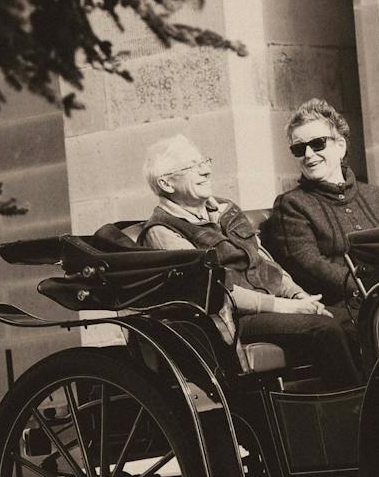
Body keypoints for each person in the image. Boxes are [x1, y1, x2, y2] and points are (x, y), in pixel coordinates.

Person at [138, 135, 360, 387]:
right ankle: (351, 417)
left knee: (355, 320)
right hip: (230, 321)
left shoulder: (225, 208)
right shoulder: (162, 231)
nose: (206, 170)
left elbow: (265, 262)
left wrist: (298, 296)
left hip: (275, 306)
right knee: (325, 330)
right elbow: (214, 292)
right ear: (166, 183)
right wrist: (284, 306)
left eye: (204, 161)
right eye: (192, 166)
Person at [268, 98, 379, 309]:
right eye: (299, 149)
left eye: (317, 143)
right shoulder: (292, 205)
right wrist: (369, 287)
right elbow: (310, 265)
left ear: (340, 146)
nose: (308, 154)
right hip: (344, 306)